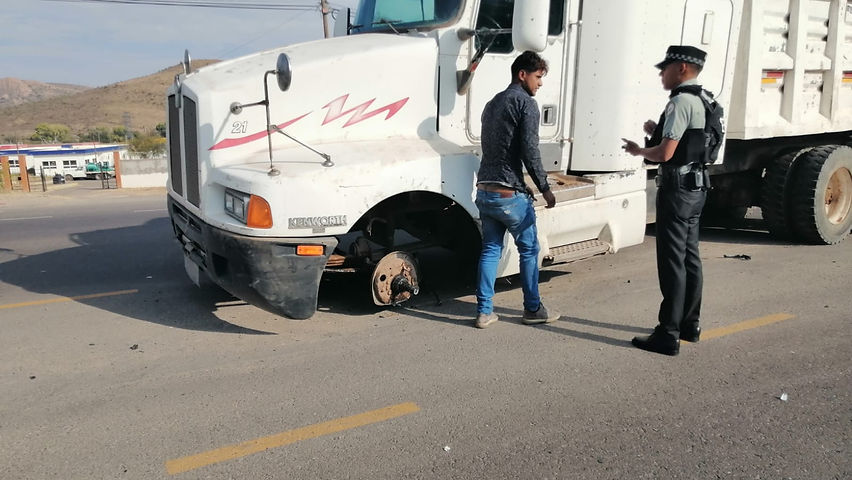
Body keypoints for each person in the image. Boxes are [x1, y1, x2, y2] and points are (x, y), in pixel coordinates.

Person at [622, 45, 711, 355]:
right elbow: (691, 143)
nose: (662, 73)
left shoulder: (679, 102)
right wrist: (656, 130)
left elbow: (665, 153)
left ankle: (667, 334)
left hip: (677, 191)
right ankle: (690, 324)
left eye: (666, 68)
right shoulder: (704, 99)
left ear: (682, 68)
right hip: (697, 189)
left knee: (672, 262)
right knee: (690, 258)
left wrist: (639, 150)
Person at [474, 50, 558, 329]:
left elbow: (496, 149)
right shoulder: (526, 104)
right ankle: (533, 309)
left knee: (490, 250)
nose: (540, 83)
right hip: (509, 195)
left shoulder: (492, 103)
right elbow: (530, 151)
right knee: (530, 250)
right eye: (538, 77)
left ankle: (484, 312)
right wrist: (544, 187)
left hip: (485, 190)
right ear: (522, 74)